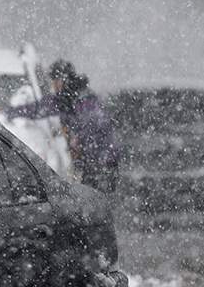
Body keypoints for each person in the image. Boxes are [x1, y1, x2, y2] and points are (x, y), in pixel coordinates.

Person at [6, 60, 121, 192]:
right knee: (89, 196)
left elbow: (95, 125)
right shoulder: (64, 99)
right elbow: (39, 108)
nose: (53, 86)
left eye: (55, 81)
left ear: (63, 79)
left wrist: (78, 141)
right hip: (88, 162)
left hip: (101, 161)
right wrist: (10, 112)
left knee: (97, 199)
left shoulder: (85, 99)